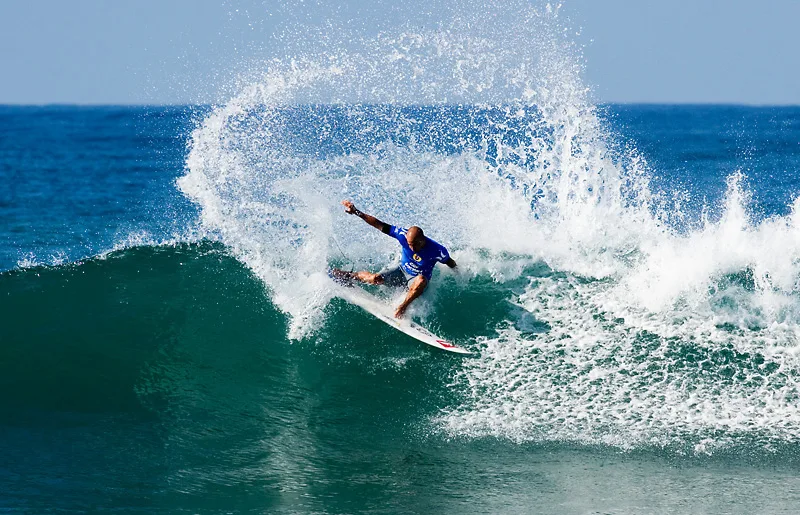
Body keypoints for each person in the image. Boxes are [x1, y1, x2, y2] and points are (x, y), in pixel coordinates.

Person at [331, 200, 457, 318]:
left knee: (421, 279)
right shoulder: (402, 235)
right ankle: (346, 275)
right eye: (408, 244)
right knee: (375, 278)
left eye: (414, 245)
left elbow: (450, 263)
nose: (411, 247)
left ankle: (402, 308)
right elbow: (379, 224)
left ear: (421, 240)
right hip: (401, 271)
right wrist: (356, 211)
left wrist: (459, 274)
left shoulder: (438, 251)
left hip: (416, 282)